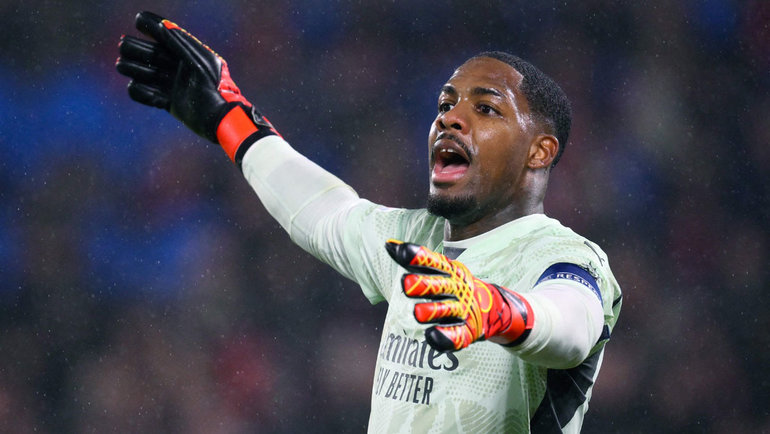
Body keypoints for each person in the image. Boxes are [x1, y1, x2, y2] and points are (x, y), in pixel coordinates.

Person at [116, 11, 622, 433]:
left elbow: (570, 324)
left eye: (486, 108)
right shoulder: (413, 241)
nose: (450, 118)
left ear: (540, 151)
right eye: (445, 104)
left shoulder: (562, 255)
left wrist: (498, 311)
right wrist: (229, 120)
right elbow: (323, 211)